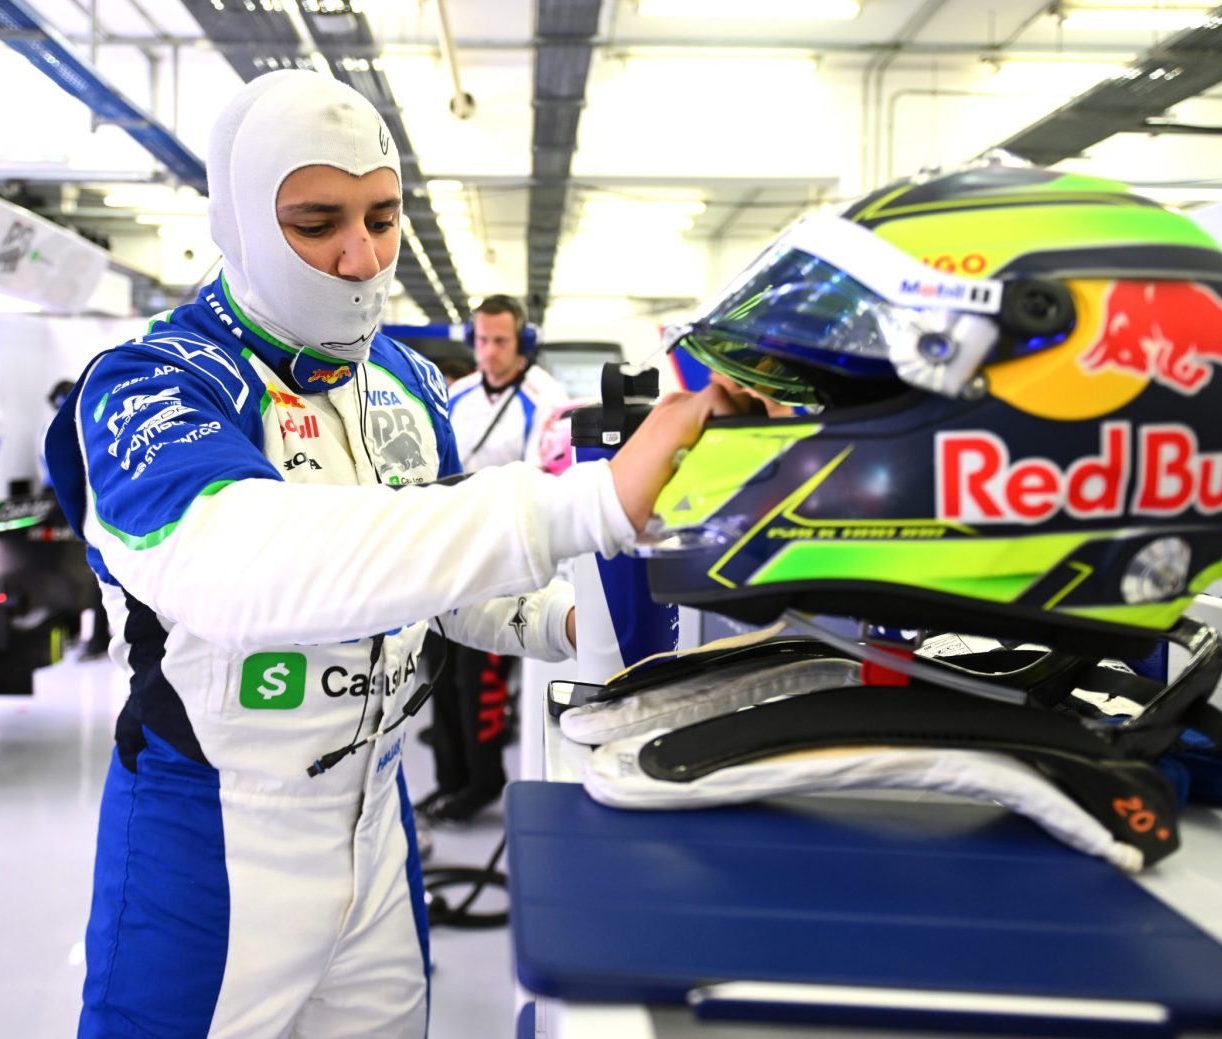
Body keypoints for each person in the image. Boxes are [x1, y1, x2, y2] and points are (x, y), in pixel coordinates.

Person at [42, 69, 733, 1038]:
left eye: (382, 216)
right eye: (317, 222)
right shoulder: (149, 384)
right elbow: (243, 569)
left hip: (377, 816)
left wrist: (568, 620)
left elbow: (437, 582)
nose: (362, 257)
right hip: (213, 832)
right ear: (237, 222)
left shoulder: (407, 380)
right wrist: (591, 504)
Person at [419, 294, 570, 824]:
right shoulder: (457, 396)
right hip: (448, 553)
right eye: (481, 340)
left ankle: (483, 782)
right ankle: (450, 781)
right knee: (439, 673)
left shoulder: (544, 399)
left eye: (501, 341)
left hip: (501, 559)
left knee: (478, 681)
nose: (489, 351)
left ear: (523, 341)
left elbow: (539, 483)